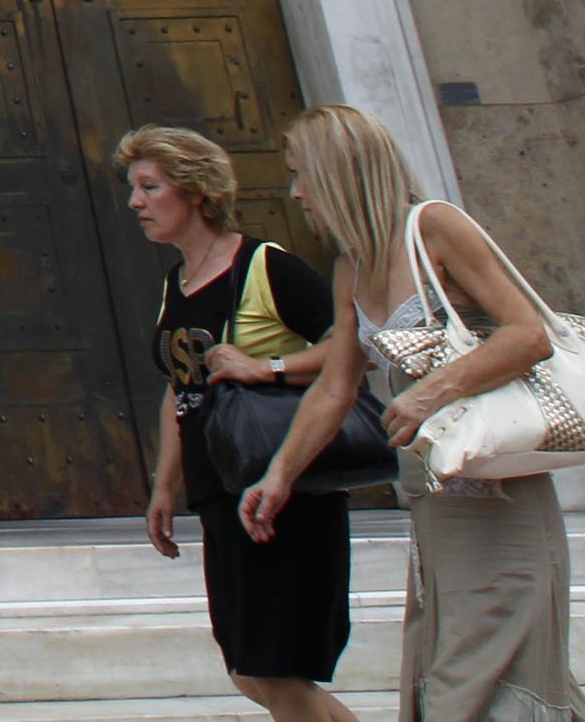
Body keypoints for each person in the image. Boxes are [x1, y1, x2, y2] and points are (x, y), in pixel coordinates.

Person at [243, 104, 585, 722]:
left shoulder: (435, 227)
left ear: (338, 171)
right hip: (436, 497)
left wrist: (433, 390)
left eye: (300, 173)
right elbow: (335, 388)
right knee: (467, 663)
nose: (295, 193)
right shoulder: (350, 268)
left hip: (502, 490)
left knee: (482, 673)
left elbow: (529, 333)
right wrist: (279, 475)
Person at [119, 124, 353, 722]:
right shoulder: (177, 281)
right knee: (250, 671)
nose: (136, 202)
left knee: (274, 669)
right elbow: (180, 386)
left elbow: (352, 349)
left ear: (196, 190)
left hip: (280, 491)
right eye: (134, 188)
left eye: (150, 186)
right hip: (219, 490)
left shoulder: (265, 265)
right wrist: (165, 485)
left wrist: (265, 367)